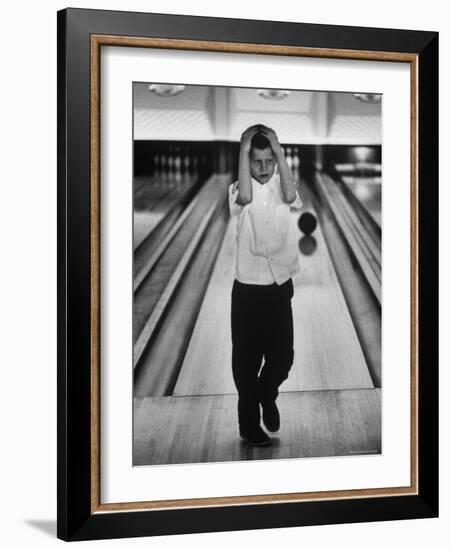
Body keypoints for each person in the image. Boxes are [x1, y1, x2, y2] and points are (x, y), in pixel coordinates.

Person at [229, 124, 303, 447]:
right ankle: (249, 425)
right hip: (247, 291)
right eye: (256, 161)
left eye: (268, 162)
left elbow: (290, 195)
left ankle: (266, 395)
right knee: (246, 362)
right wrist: (244, 148)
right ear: (247, 162)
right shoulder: (237, 189)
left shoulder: (283, 187)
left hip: (278, 286)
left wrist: (279, 150)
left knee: (283, 357)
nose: (262, 169)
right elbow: (245, 195)